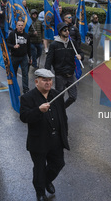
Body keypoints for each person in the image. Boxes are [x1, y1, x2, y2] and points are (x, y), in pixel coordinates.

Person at [20, 68, 69, 201]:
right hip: (39, 141)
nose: (48, 83)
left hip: (56, 139)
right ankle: (40, 191)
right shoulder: (27, 98)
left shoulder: (57, 95)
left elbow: (63, 117)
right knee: (39, 168)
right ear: (37, 81)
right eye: (44, 80)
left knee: (58, 164)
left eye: (50, 80)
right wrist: (38, 111)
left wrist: (65, 135)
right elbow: (24, 117)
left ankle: (46, 181)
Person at [45, 22, 82, 108]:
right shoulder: (54, 45)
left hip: (71, 75)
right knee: (59, 97)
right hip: (60, 75)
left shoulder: (72, 43)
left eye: (68, 30)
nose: (67, 32)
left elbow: (80, 52)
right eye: (65, 30)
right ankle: (58, 112)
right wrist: (46, 74)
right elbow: (49, 60)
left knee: (73, 97)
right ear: (60, 32)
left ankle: (61, 109)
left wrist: (81, 56)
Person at [6, 20, 32, 93]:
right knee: (14, 73)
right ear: (16, 26)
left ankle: (26, 89)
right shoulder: (12, 34)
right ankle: (14, 87)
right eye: (19, 25)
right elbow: (7, 44)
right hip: (15, 56)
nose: (20, 27)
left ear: (23, 26)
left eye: (22, 25)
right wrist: (13, 46)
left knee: (25, 73)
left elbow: (29, 47)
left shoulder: (26, 35)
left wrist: (30, 57)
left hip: (24, 57)